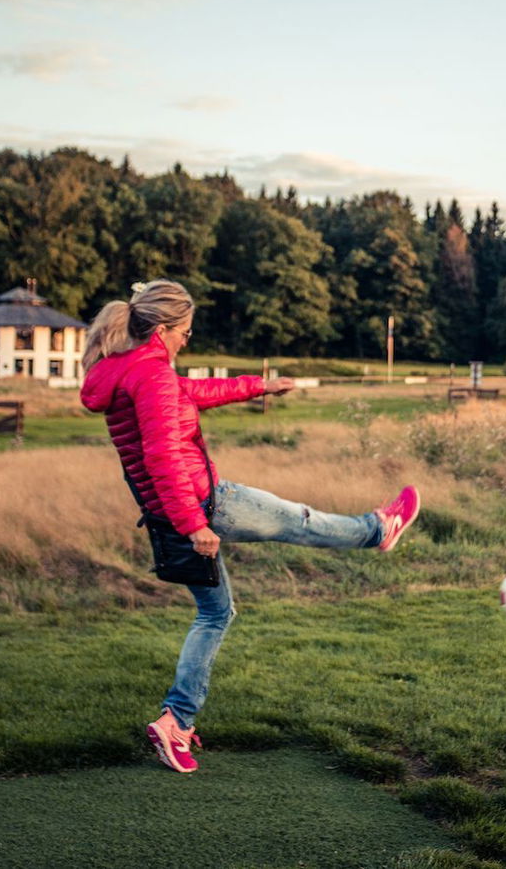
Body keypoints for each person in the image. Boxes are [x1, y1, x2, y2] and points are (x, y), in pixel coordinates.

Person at [79, 279, 420, 774]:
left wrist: (259, 385)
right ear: (165, 328)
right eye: (186, 332)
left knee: (215, 615)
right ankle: (377, 530)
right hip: (202, 504)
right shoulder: (151, 374)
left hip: (165, 513)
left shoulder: (125, 369)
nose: (187, 341)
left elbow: (193, 393)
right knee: (298, 521)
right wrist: (196, 525)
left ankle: (175, 722)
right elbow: (162, 457)